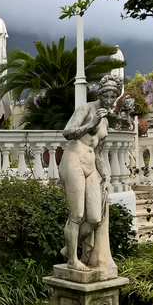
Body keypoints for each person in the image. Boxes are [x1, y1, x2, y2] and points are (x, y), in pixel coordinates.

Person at [58, 75, 122, 271]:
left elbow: (99, 153)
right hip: (73, 160)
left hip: (91, 165)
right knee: (77, 214)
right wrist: (91, 124)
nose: (109, 101)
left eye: (113, 97)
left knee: (95, 217)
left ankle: (68, 248)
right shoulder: (86, 110)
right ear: (100, 94)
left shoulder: (105, 121)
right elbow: (67, 133)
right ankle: (72, 260)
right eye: (106, 96)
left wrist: (105, 172)